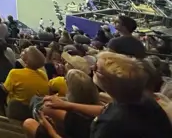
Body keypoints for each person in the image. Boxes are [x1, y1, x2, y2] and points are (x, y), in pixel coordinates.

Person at [35, 52, 172, 138]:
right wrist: (67, 105)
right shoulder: (143, 100)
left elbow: (111, 115)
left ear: (109, 83)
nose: (92, 69)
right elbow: (107, 109)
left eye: (97, 68)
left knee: (31, 124)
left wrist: (51, 132)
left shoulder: (109, 126)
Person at [23, 69, 100, 138]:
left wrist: (51, 131)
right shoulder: (103, 109)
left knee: (29, 122)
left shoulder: (63, 113)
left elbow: (46, 109)